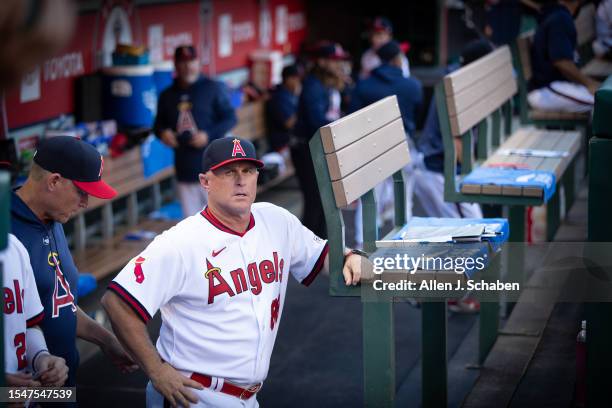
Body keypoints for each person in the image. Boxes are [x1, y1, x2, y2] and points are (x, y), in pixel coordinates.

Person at [101, 137, 363, 408]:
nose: (241, 181)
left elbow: (321, 258)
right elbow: (117, 302)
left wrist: (348, 255)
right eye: (229, 172)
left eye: (248, 171)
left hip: (247, 397)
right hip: (192, 394)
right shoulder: (180, 243)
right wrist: (156, 371)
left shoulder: (276, 220)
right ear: (205, 182)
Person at [10, 136, 138, 395]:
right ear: (54, 181)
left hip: (59, 386)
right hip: (23, 392)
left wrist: (105, 339)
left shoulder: (52, 218)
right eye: (82, 192)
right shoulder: (7, 233)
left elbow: (59, 302)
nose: (85, 203)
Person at [414, 39, 494, 313]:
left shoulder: (459, 79)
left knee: (467, 233)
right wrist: (477, 180)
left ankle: (442, 291)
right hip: (438, 173)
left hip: (440, 169)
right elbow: (458, 143)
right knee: (471, 234)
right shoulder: (457, 87)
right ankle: (443, 292)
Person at [350, 40, 423, 248]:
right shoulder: (413, 85)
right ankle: (406, 244)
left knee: (369, 199)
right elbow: (417, 116)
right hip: (403, 144)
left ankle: (363, 246)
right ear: (397, 59)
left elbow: (352, 118)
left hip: (371, 148)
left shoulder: (364, 85)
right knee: (404, 198)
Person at [154, 45, 237, 217]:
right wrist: (163, 133)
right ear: (175, 65)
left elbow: (230, 118)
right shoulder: (167, 95)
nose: (187, 66)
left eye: (191, 61)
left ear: (198, 63)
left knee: (221, 224)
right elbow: (158, 124)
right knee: (193, 229)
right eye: (182, 62)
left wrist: (208, 135)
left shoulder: (212, 87)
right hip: (185, 170)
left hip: (215, 169)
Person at [293, 42, 350, 238]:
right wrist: (341, 126)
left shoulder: (330, 83)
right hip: (307, 149)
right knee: (315, 201)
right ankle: (305, 253)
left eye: (339, 61)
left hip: (322, 148)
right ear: (322, 62)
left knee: (326, 201)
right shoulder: (312, 85)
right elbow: (315, 122)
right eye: (334, 61)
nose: (338, 65)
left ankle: (322, 249)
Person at [2, 233, 69, 388]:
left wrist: (41, 357)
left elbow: (28, 324)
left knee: (67, 396)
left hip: (24, 395)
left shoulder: (14, 246)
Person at [528, 0, 601, 112]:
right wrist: (589, 83)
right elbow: (562, 62)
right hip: (546, 89)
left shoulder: (558, 13)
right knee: (605, 102)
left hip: (557, 85)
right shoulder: (559, 18)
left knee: (605, 98)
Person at [265, 65, 301, 152]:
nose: (298, 82)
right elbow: (289, 123)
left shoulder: (287, 93)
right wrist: (302, 105)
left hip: (289, 139)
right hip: (281, 143)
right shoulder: (279, 97)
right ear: (288, 79)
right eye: (295, 79)